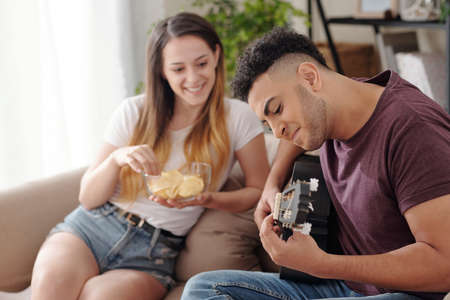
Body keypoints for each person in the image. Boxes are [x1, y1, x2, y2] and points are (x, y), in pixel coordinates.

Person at [181, 27, 450, 300]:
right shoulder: (338, 102)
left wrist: (321, 264)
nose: (277, 131)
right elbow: (296, 130)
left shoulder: (412, 129)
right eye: (267, 122)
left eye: (276, 110)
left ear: (310, 77)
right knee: (203, 289)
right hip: (347, 286)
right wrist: (271, 184)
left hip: (407, 294)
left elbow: (444, 266)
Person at [30, 12, 269, 300]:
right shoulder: (133, 111)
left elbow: (258, 190)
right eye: (178, 69)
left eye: (202, 63)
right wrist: (118, 157)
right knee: (50, 288)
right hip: (92, 226)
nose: (193, 78)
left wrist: (208, 199)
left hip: (153, 251)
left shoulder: (238, 117)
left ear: (217, 55)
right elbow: (88, 198)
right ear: (161, 71)